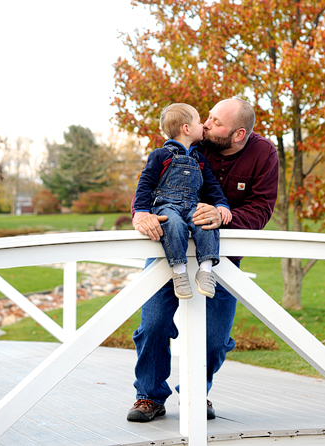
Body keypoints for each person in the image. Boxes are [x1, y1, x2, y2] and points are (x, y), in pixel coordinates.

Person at [126, 97, 279, 423]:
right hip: (169, 247)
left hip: (220, 258)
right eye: (206, 118)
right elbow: (150, 180)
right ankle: (149, 396)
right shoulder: (194, 143)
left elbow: (261, 209)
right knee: (152, 325)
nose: (207, 124)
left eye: (216, 122)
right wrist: (140, 215)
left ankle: (196, 392)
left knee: (214, 339)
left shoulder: (264, 154)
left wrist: (223, 216)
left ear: (238, 134)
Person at [132, 103, 233, 300]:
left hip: (192, 204)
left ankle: (205, 271)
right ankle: (179, 272)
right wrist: (141, 210)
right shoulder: (160, 155)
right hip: (166, 205)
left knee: (206, 222)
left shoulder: (199, 159)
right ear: (186, 129)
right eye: (198, 121)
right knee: (173, 224)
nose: (203, 125)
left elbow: (211, 185)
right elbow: (145, 183)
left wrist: (221, 204)